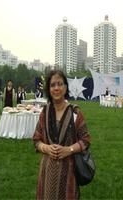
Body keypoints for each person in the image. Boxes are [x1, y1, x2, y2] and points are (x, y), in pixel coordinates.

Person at [32, 70, 91, 199]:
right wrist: (46, 148)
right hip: (47, 173)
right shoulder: (45, 112)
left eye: (60, 84)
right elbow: (36, 140)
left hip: (69, 174)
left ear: (65, 87)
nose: (56, 88)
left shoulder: (75, 112)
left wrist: (68, 150)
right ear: (49, 89)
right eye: (53, 85)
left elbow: (85, 140)